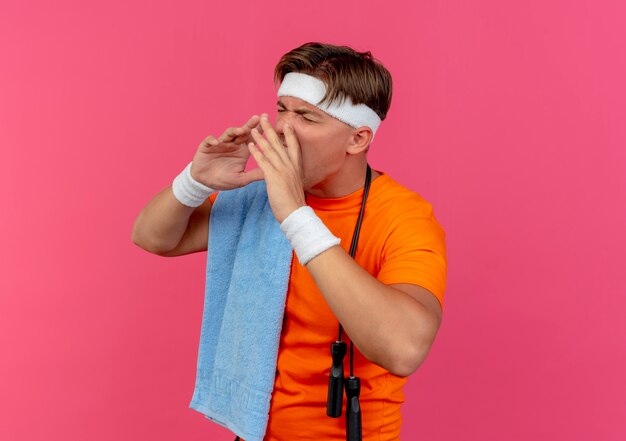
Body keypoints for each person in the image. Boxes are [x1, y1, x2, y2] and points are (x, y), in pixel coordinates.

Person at [132, 42, 446, 441]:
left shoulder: (404, 217)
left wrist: (297, 218)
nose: (282, 127)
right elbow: (151, 237)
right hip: (250, 430)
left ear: (358, 138)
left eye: (307, 117)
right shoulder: (258, 196)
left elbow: (403, 349)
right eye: (282, 109)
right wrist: (195, 181)